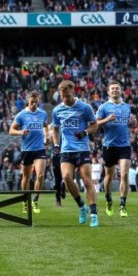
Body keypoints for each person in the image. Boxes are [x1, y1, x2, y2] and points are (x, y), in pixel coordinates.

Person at [51, 80, 99, 227]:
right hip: (66, 150)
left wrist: (85, 132)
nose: (65, 98)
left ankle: (94, 214)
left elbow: (95, 125)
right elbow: (55, 129)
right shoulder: (57, 110)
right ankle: (81, 206)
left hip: (82, 149)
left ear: (73, 91)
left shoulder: (85, 107)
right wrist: (56, 145)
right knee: (66, 178)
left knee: (86, 181)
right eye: (62, 96)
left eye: (67, 95)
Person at [96, 81, 137, 217]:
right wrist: (107, 119)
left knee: (124, 174)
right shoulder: (103, 107)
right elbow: (95, 124)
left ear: (121, 91)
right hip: (109, 146)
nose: (114, 90)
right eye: (112, 88)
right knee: (109, 176)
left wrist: (132, 123)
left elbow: (128, 124)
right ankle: (108, 199)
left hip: (124, 145)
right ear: (108, 92)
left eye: (117, 88)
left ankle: (122, 204)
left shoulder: (127, 107)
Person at [9, 91, 48, 213]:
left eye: (36, 101)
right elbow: (11, 130)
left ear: (39, 101)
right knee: (26, 177)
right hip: (26, 150)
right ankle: (25, 200)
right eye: (32, 101)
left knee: (40, 174)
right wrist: (20, 132)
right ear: (28, 101)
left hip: (39, 149)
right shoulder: (21, 115)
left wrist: (46, 136)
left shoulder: (43, 114)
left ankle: (35, 200)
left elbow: (45, 125)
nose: (34, 104)